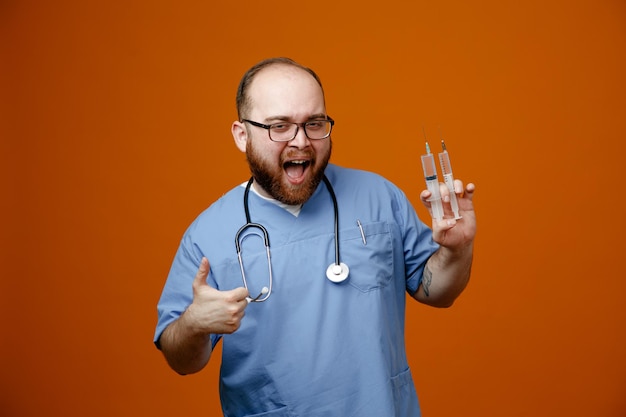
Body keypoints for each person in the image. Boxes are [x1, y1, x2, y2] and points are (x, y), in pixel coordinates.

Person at [154, 57, 476, 417]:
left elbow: (438, 292)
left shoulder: (379, 197)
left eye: (314, 123)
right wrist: (194, 324)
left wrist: (457, 249)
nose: (301, 141)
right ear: (241, 135)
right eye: (280, 126)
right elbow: (179, 358)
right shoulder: (207, 235)